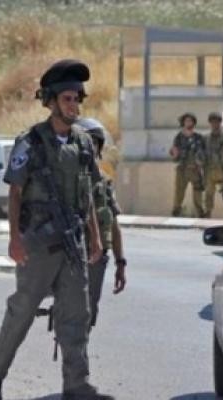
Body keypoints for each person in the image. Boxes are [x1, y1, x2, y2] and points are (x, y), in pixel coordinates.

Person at [0, 59, 113, 400]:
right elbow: (15, 192)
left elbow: (89, 194)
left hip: (74, 244)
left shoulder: (83, 143)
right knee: (22, 312)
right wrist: (14, 239)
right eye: (67, 99)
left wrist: (95, 238)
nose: (74, 105)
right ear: (50, 101)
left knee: (76, 315)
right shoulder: (30, 142)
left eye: (78, 99)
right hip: (38, 244)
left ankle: (77, 384)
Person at [75, 118, 127, 329]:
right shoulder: (64, 179)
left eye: (94, 143)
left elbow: (113, 225)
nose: (89, 148)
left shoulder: (104, 182)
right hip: (70, 252)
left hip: (96, 256)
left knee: (89, 309)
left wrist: (120, 263)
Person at [169, 112, 206, 218]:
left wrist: (201, 164)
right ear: (183, 123)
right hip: (182, 170)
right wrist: (174, 154)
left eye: (191, 121)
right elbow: (175, 156)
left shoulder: (199, 138)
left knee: (198, 195)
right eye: (187, 121)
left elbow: (204, 154)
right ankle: (176, 213)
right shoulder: (179, 138)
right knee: (179, 194)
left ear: (194, 123)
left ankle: (200, 215)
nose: (189, 123)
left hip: (195, 170)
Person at [204, 112, 223, 219]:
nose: (215, 124)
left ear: (220, 123)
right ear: (210, 123)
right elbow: (202, 154)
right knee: (208, 196)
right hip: (210, 171)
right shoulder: (206, 138)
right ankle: (207, 216)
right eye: (213, 122)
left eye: (217, 122)